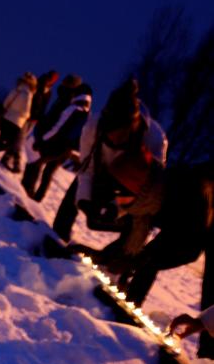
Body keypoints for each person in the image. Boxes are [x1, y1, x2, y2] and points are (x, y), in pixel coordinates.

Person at [53, 79, 167, 262]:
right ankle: (57, 238)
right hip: (102, 174)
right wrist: (84, 201)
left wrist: (117, 209)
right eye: (110, 134)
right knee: (81, 202)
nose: (114, 140)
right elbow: (86, 168)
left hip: (131, 188)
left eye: (120, 135)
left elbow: (148, 192)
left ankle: (117, 259)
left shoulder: (154, 139)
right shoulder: (93, 126)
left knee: (138, 221)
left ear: (132, 126)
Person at [124, 161, 214, 358]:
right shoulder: (175, 189)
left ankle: (209, 356)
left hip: (197, 228)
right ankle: (130, 301)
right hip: (193, 217)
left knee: (153, 259)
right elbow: (161, 236)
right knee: (150, 258)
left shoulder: (191, 199)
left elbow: (186, 246)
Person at [22, 83, 92, 201]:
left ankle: (26, 193)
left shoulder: (73, 108)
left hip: (57, 145)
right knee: (48, 171)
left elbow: (57, 128)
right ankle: (38, 197)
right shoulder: (87, 113)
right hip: (68, 150)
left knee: (35, 163)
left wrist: (42, 140)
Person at [0, 71, 37, 172]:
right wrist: (28, 116)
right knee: (11, 143)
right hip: (17, 122)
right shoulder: (28, 95)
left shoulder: (16, 89)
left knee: (1, 138)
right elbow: (26, 111)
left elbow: (5, 103)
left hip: (6, 117)